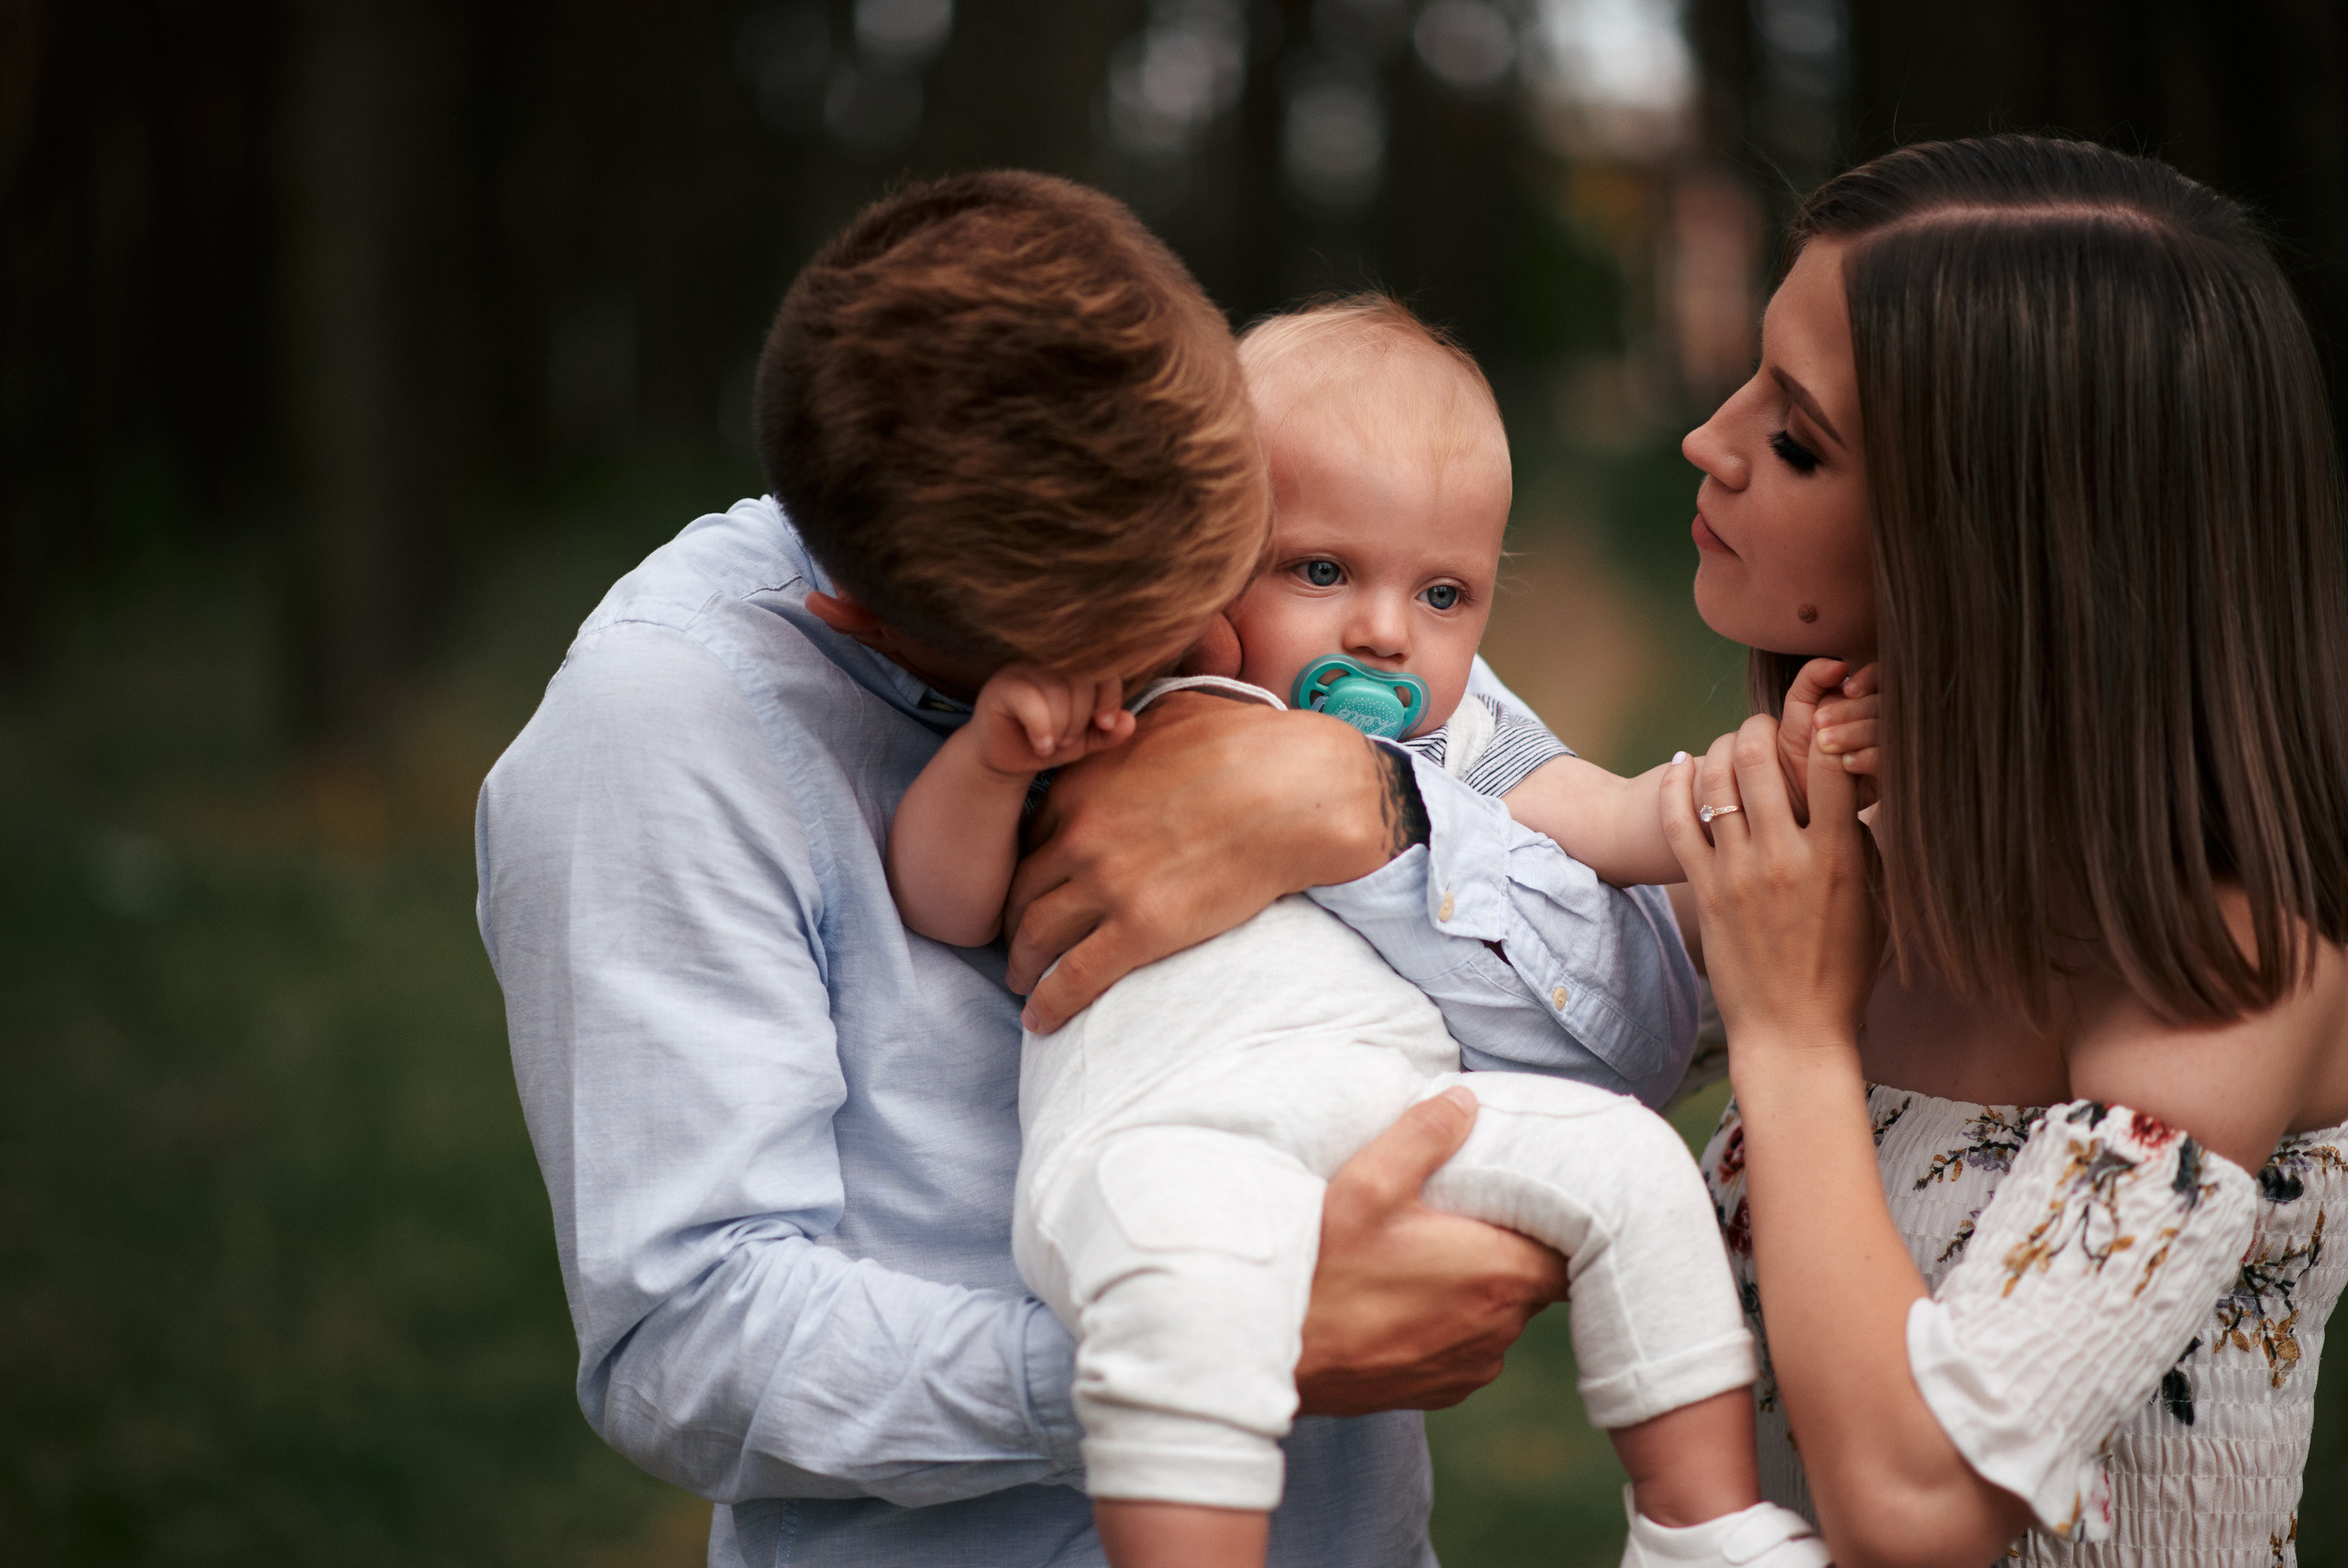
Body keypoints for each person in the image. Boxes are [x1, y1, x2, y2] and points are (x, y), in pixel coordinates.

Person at [475, 171, 1698, 1567]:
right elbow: (689, 1342)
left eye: (1230, 573)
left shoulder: (1264, 534)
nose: (1219, 659)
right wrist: (1209, 1347)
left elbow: (1644, 1026)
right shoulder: (663, 735)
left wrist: (1371, 813)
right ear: (873, 621)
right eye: (1140, 644)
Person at [886, 295, 1822, 1568]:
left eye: (1443, 593)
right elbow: (944, 901)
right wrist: (996, 765)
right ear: (1207, 546)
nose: (1385, 631)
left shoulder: (1463, 742)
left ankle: (1702, 1526)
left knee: (1631, 1164)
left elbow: (1622, 819)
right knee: (1187, 1314)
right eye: (1321, 571)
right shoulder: (1130, 689)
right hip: (1165, 1132)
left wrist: (1772, 776)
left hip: (1396, 1125)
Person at [1656, 135, 2348, 1565]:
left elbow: (1919, 1512)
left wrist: (1790, 1037)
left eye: (1797, 439)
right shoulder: (1865, 854)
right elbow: (1495, 935)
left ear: (1998, 547)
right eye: (1749, 384)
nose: (1707, 442)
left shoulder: (2224, 971)